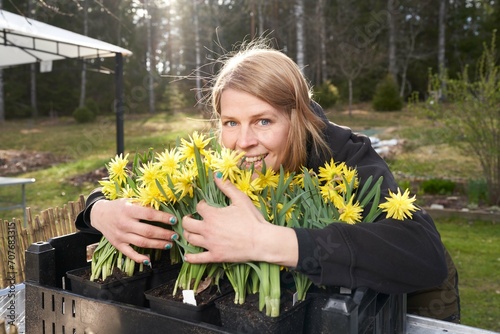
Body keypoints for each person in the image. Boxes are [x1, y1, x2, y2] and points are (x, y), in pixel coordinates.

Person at [75, 41, 460, 323]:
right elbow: (131, 189)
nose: (244, 142)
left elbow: (422, 252)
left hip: (413, 299)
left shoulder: (343, 153)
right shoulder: (221, 158)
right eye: (231, 123)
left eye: (263, 121)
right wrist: (100, 210)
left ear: (300, 117)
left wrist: (268, 241)